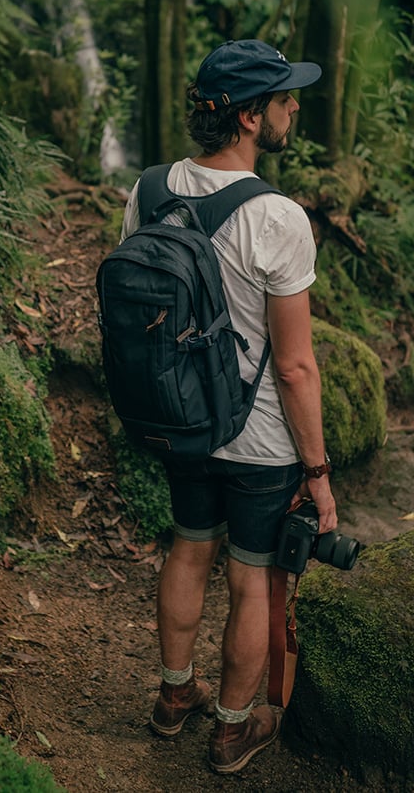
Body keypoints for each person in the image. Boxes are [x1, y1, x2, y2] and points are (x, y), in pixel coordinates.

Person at [119, 39, 338, 774]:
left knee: (187, 547)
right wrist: (318, 473)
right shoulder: (278, 217)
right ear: (248, 117)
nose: (293, 106)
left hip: (176, 421)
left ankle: (175, 695)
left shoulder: (148, 190)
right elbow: (296, 365)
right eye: (282, 98)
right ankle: (233, 728)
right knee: (250, 577)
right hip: (257, 441)